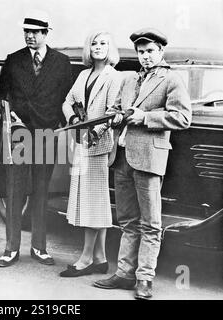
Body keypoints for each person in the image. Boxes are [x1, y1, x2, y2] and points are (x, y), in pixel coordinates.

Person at [93, 28, 192, 299]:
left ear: (161, 51)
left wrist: (145, 117)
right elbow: (115, 109)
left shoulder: (171, 78)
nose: (145, 56)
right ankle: (124, 274)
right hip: (123, 157)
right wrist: (113, 117)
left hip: (149, 159)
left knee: (151, 223)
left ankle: (145, 278)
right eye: (140, 52)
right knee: (127, 220)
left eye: (150, 51)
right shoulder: (128, 80)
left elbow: (182, 117)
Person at [0, 10, 73, 267]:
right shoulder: (13, 60)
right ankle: (11, 248)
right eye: (26, 31)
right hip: (19, 135)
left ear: (46, 33)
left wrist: (62, 124)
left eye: (35, 32)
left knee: (41, 192)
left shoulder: (61, 62)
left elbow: (67, 98)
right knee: (15, 191)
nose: (30, 36)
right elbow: (0, 96)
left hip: (48, 135)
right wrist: (10, 116)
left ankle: (39, 247)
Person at [59, 31, 122, 277]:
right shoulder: (84, 74)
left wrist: (94, 131)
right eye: (94, 43)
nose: (98, 47)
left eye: (103, 43)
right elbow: (68, 101)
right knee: (95, 202)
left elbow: (112, 112)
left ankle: (85, 259)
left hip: (98, 144)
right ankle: (100, 258)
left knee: (93, 202)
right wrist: (74, 119)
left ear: (110, 48)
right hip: (82, 142)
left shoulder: (113, 77)